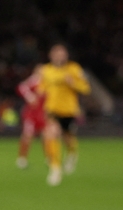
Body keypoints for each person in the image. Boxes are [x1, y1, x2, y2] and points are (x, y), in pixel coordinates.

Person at [38, 44, 90, 186]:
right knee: (50, 134)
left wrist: (72, 83)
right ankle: (55, 169)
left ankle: (72, 154)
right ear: (51, 55)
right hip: (52, 110)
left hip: (69, 110)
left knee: (67, 138)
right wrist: (39, 94)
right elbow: (41, 88)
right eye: (57, 53)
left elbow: (85, 88)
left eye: (62, 53)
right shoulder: (46, 70)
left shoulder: (74, 69)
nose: (60, 56)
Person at [16, 65, 46, 169]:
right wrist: (30, 97)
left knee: (46, 136)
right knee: (27, 136)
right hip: (31, 114)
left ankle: (50, 158)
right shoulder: (35, 80)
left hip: (44, 114)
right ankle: (22, 159)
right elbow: (21, 87)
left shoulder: (48, 83)